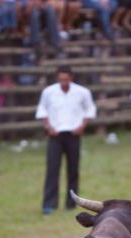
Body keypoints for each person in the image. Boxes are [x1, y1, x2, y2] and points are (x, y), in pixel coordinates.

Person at [35, 65, 96, 215]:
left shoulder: (82, 92)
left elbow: (90, 109)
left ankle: (71, 203)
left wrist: (82, 126)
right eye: (61, 79)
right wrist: (48, 127)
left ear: (71, 78)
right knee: (52, 169)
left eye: (66, 79)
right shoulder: (49, 92)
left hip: (73, 134)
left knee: (73, 169)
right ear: (57, 78)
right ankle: (49, 204)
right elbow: (42, 110)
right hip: (55, 135)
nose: (64, 82)